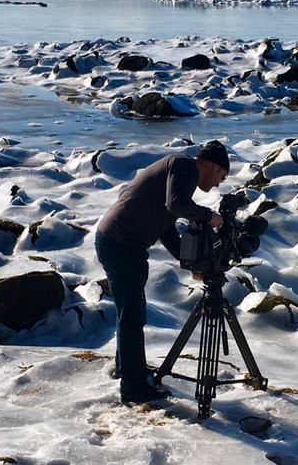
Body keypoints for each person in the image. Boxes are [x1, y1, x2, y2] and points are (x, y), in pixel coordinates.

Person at [95, 140, 230, 403]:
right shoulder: (183, 165)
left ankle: (128, 368)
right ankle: (133, 388)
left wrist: (189, 262)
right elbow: (177, 206)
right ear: (214, 165)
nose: (217, 184)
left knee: (132, 312)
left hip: (120, 242)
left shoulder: (178, 170)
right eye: (222, 176)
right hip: (121, 244)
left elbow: (166, 225)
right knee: (132, 315)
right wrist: (208, 216)